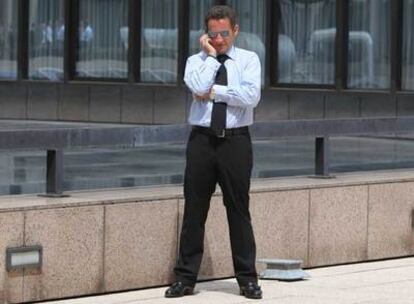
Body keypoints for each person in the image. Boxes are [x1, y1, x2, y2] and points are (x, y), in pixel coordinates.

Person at [165, 5, 262, 300]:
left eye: (223, 33)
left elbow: (251, 97)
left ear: (235, 31)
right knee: (194, 211)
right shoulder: (196, 60)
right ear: (205, 34)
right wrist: (210, 58)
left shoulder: (248, 60)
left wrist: (216, 93)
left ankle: (247, 279)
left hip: (235, 142)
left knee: (238, 210)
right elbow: (196, 85)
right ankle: (185, 279)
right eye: (212, 33)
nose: (218, 39)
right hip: (202, 142)